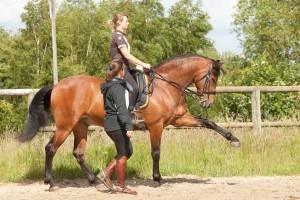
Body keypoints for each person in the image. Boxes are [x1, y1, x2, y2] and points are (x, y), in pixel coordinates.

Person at [97, 59, 137, 195]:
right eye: (124, 70)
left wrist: (128, 109)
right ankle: (120, 185)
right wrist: (128, 126)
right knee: (122, 154)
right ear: (121, 71)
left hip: (110, 123)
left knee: (128, 151)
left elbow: (114, 106)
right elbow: (120, 110)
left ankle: (106, 173)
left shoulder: (109, 85)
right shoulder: (118, 87)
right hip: (117, 124)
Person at [108, 12, 151, 115]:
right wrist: (143, 64)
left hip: (125, 67)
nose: (128, 23)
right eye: (126, 21)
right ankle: (129, 115)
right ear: (119, 22)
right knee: (134, 89)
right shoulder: (118, 36)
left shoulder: (122, 36)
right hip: (119, 69)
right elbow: (127, 56)